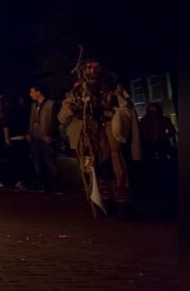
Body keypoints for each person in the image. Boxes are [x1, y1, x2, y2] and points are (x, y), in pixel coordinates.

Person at [60, 57, 141, 218]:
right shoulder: (77, 91)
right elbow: (63, 117)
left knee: (116, 167)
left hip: (111, 135)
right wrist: (71, 109)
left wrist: (107, 113)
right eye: (89, 67)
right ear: (84, 70)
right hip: (90, 136)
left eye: (96, 67)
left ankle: (122, 202)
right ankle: (105, 200)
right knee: (97, 167)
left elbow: (126, 110)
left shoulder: (112, 88)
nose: (93, 70)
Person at [28, 85, 63, 194]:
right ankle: (42, 185)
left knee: (50, 162)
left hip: (45, 136)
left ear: (38, 92)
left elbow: (54, 121)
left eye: (32, 92)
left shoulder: (51, 104)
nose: (30, 94)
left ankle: (57, 186)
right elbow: (32, 120)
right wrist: (29, 133)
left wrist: (51, 135)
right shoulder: (34, 105)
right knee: (38, 163)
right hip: (35, 137)